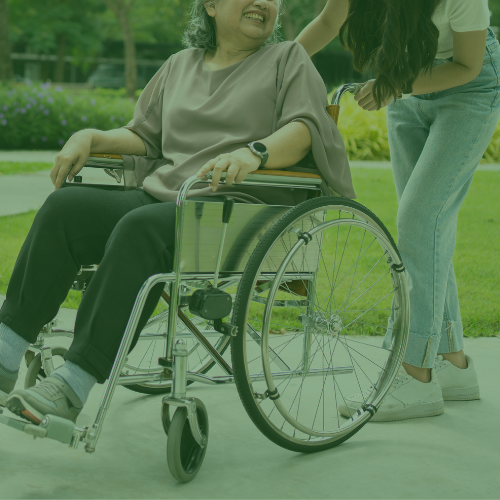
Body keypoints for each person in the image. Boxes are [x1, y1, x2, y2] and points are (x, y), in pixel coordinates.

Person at [0, 0, 354, 425]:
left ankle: (73, 383)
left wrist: (255, 152)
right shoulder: (179, 65)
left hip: (238, 209)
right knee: (65, 208)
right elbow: (143, 135)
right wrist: (89, 135)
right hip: (167, 198)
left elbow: (304, 128)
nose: (264, 2)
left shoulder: (287, 59)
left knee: (140, 227)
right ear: (211, 5)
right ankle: (5, 352)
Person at [296, 0, 498, 421]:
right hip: (405, 82)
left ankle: (414, 375)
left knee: (420, 219)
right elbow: (331, 19)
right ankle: (452, 362)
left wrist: (397, 84)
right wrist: (275, 66)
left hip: (467, 90)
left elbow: (467, 66)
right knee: (428, 228)